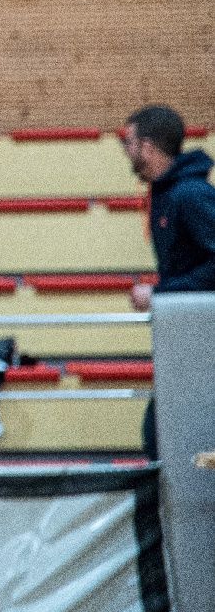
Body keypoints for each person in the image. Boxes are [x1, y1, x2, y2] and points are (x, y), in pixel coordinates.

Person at [119, 104, 215, 458]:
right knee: (161, 433)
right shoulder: (167, 195)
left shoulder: (189, 196)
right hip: (187, 329)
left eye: (127, 141)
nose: (126, 151)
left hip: (201, 333)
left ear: (146, 146)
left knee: (161, 435)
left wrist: (161, 293)